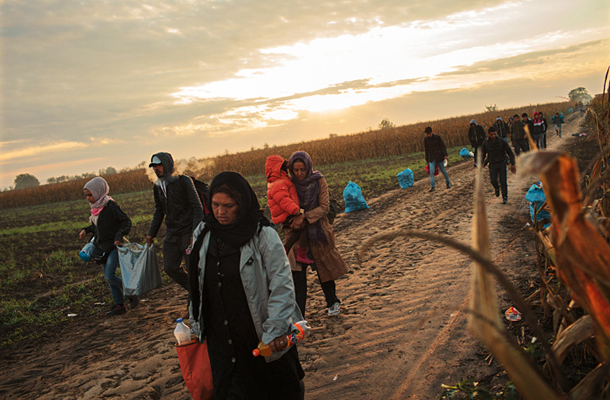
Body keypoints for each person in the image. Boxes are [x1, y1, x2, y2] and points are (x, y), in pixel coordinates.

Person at [187, 171, 305, 399]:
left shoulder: (262, 235)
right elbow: (197, 281)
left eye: (228, 206)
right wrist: (195, 321)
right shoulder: (204, 232)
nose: (220, 212)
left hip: (261, 337)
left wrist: (276, 329)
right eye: (215, 205)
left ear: (242, 203)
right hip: (222, 341)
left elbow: (282, 286)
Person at [287, 151, 348, 317]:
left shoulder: (319, 181)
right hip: (297, 235)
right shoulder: (289, 184)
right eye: (296, 170)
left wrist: (304, 217)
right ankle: (299, 313)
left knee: (324, 269)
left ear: (308, 167)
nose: (299, 174)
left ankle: (332, 302)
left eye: (302, 169)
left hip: (318, 231)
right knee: (298, 274)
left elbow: (324, 207)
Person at [146, 152, 204, 295]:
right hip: (172, 233)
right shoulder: (158, 186)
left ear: (167, 164)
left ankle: (195, 301)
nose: (156, 169)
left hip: (187, 231)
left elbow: (197, 208)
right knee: (169, 267)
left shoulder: (183, 181)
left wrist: (194, 233)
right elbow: (159, 211)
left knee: (192, 268)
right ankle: (195, 291)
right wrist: (151, 233)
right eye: (154, 166)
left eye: (159, 165)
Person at [79, 177, 133, 316]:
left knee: (110, 276)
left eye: (90, 195)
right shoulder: (95, 209)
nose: (88, 198)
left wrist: (119, 236)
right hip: (101, 248)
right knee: (109, 279)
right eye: (86, 195)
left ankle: (132, 291)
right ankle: (119, 305)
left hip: (113, 246)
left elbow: (125, 221)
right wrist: (86, 229)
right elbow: (98, 226)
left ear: (98, 192)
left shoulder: (110, 206)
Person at [265, 155, 314, 265]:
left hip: (286, 213)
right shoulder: (279, 183)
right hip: (287, 214)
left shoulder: (279, 180)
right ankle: (301, 254)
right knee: (303, 227)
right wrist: (297, 211)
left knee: (298, 231)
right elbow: (284, 201)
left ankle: (285, 250)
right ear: (279, 168)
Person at [481, 126, 516, 204]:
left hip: (501, 163)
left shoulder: (502, 142)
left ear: (496, 133)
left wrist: (513, 164)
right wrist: (482, 163)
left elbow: (510, 153)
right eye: (491, 135)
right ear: (489, 135)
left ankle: (505, 197)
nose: (493, 136)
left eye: (494, 134)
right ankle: (497, 188)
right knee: (493, 180)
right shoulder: (486, 143)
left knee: (503, 181)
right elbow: (483, 154)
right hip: (492, 164)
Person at [423, 126, 451, 192]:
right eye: (427, 134)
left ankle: (448, 182)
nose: (428, 135)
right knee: (431, 172)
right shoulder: (426, 140)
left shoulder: (437, 138)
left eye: (429, 133)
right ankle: (433, 186)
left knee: (443, 170)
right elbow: (426, 150)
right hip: (431, 158)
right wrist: (427, 159)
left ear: (432, 132)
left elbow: (443, 146)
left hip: (439, 157)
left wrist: (445, 155)